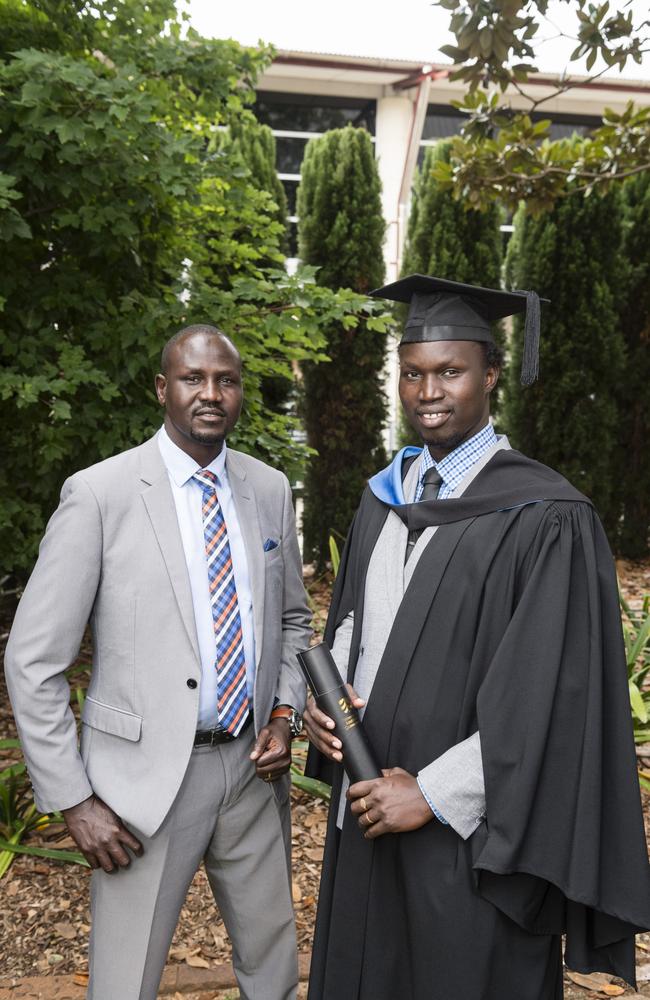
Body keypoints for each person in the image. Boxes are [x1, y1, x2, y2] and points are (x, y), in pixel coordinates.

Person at [304, 275, 650, 1000]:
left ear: (491, 376)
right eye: (412, 374)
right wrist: (326, 703)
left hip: (470, 838)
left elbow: (548, 698)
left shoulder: (545, 515)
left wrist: (429, 793)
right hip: (366, 809)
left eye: (451, 372)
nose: (429, 391)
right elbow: (354, 627)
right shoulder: (383, 498)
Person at [5, 324, 311, 1000]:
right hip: (141, 793)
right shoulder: (101, 495)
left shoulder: (267, 489)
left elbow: (294, 621)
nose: (211, 393)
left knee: (275, 970)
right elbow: (32, 661)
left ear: (239, 395)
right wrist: (74, 799)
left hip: (252, 776)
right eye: (192, 379)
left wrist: (285, 717)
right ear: (161, 389)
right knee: (124, 983)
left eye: (225, 381)